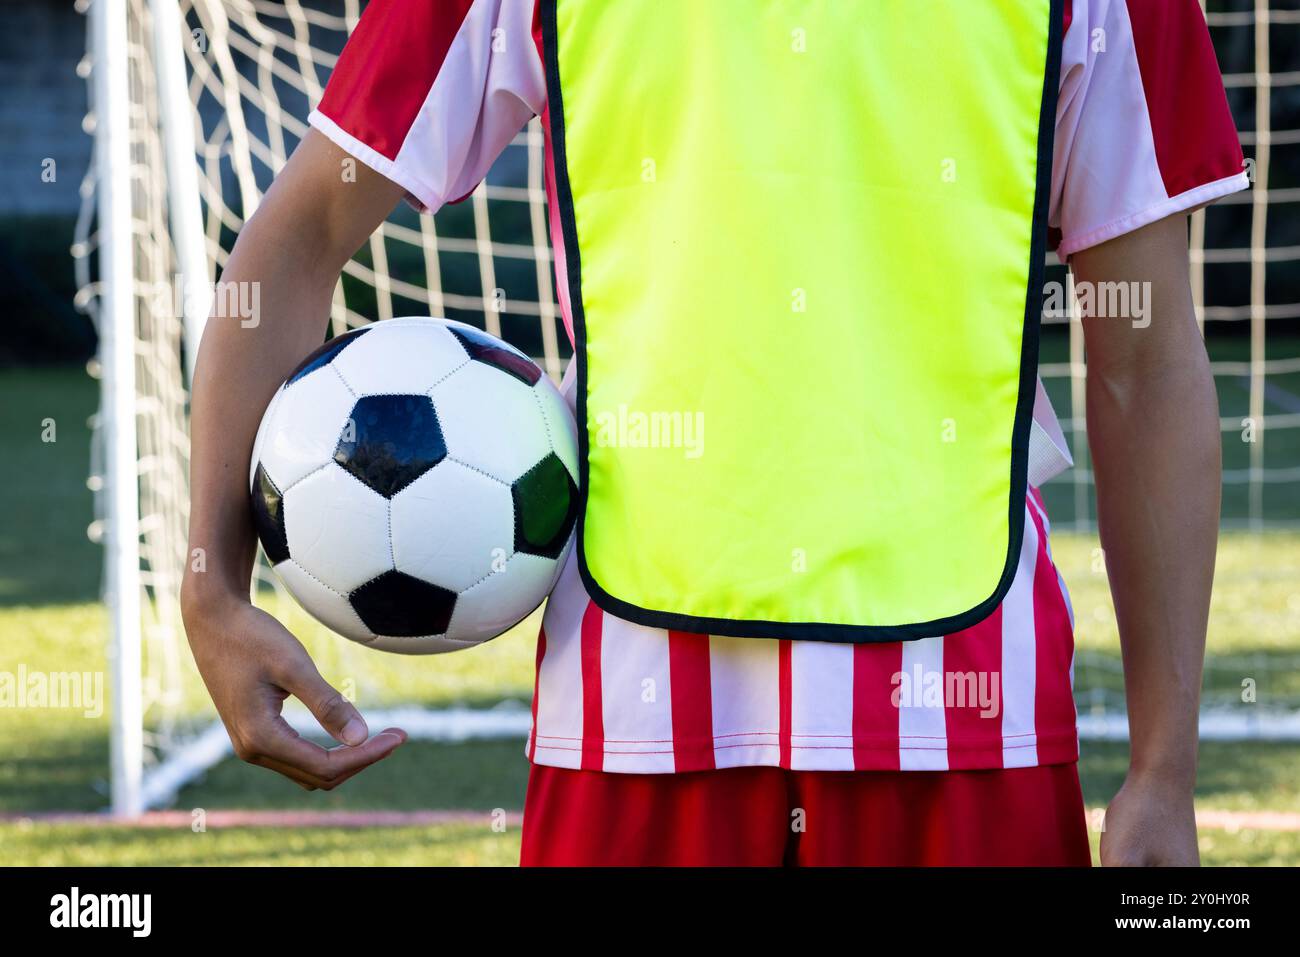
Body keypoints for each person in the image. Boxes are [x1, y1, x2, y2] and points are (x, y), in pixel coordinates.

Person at [181, 0, 1247, 866]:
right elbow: (302, 232)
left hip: (963, 709)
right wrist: (211, 589)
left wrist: (1165, 770)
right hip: (633, 716)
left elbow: (1146, 365)